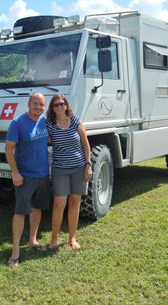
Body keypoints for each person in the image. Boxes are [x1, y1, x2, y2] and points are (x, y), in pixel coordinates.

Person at [5, 92, 50, 266]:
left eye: (41, 105)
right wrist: (15, 173)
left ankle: (32, 239)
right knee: (20, 211)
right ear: (29, 104)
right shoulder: (18, 122)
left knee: (37, 207)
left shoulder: (44, 121)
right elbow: (9, 149)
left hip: (43, 173)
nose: (38, 107)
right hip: (25, 175)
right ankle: (15, 250)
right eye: (35, 104)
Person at [45, 94, 92, 250]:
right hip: (60, 169)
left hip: (79, 167)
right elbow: (38, 138)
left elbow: (86, 145)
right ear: (52, 108)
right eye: (56, 105)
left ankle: (72, 238)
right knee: (59, 204)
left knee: (74, 203)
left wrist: (88, 165)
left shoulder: (75, 121)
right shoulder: (49, 124)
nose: (59, 106)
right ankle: (54, 239)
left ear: (66, 105)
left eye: (62, 103)